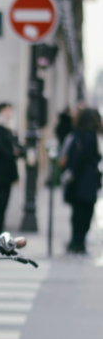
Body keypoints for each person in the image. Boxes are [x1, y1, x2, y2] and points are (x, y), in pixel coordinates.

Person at [62, 107, 102, 254]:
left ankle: (76, 241)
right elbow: (86, 157)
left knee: (78, 212)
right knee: (84, 213)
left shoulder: (79, 134)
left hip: (79, 180)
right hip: (86, 180)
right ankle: (78, 242)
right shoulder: (91, 136)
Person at [0, 103, 23, 240]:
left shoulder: (10, 129)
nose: (10, 113)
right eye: (7, 110)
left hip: (8, 173)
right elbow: (0, 148)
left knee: (3, 204)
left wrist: (17, 151)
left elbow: (19, 148)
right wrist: (14, 152)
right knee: (0, 203)